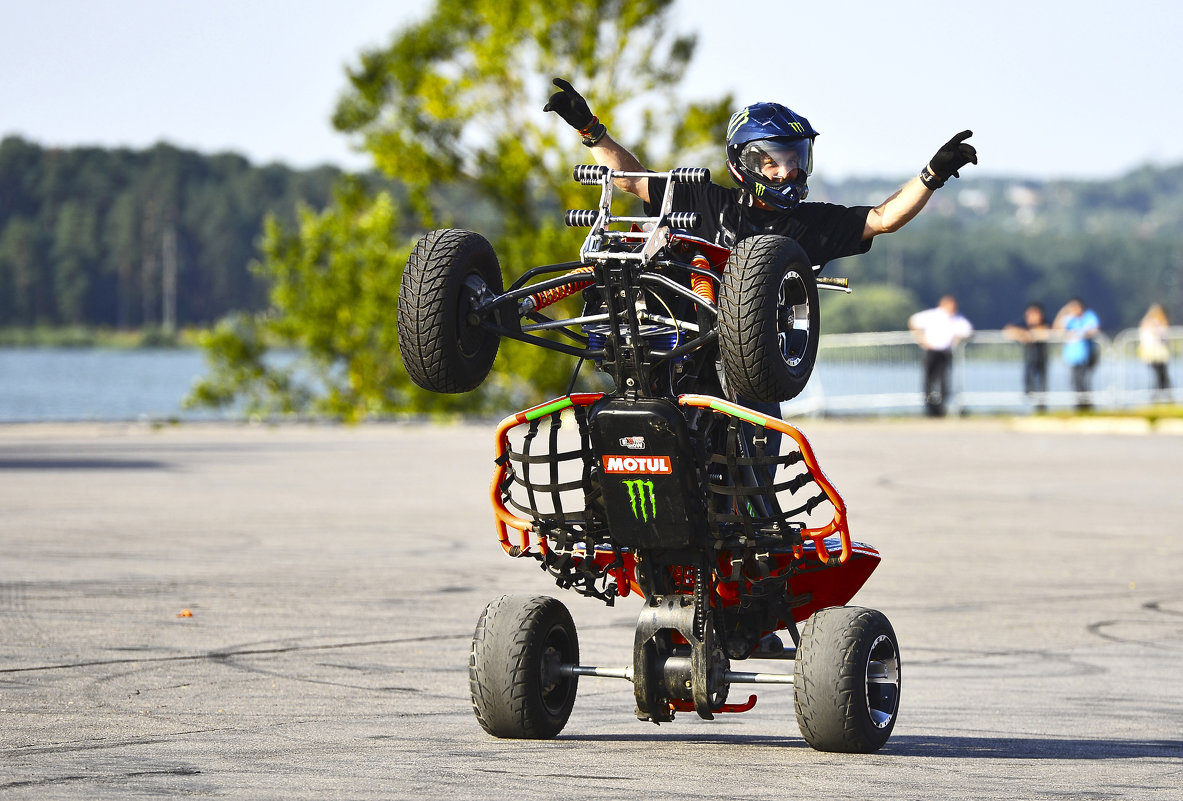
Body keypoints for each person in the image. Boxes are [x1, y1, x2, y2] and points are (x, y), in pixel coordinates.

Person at [543, 77, 977, 412]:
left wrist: (931, 176)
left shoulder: (809, 224)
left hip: (748, 375)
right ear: (745, 163)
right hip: (669, 362)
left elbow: (883, 218)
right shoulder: (704, 199)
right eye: (773, 161)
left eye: (793, 159)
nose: (786, 171)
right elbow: (633, 179)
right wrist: (590, 129)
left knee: (750, 492)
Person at [908, 295, 973, 417]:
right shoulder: (932, 315)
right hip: (931, 350)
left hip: (945, 352)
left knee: (943, 381)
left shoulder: (957, 318)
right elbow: (913, 321)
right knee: (929, 380)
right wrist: (920, 339)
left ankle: (940, 406)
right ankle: (930, 408)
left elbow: (967, 330)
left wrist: (957, 339)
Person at [1053, 297, 1100, 412]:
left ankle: (1087, 406)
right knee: (1075, 382)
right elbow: (1057, 330)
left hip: (1086, 356)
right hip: (1072, 357)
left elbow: (1095, 329)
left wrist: (1080, 333)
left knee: (1084, 381)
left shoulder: (1088, 316)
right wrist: (1063, 312)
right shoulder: (1069, 319)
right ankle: (1079, 406)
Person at [1003, 302, 1051, 412]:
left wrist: (1032, 335)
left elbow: (1049, 331)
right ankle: (1030, 404)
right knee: (1028, 382)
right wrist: (1024, 334)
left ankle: (1041, 407)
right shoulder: (1023, 324)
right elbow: (1008, 329)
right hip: (1029, 358)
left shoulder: (1045, 322)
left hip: (1042, 358)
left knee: (1042, 383)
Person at [1138, 303, 1172, 403]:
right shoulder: (1149, 321)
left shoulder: (1158, 322)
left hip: (1159, 353)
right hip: (1153, 353)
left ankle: (1163, 398)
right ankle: (1157, 398)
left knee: (1162, 376)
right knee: (1159, 376)